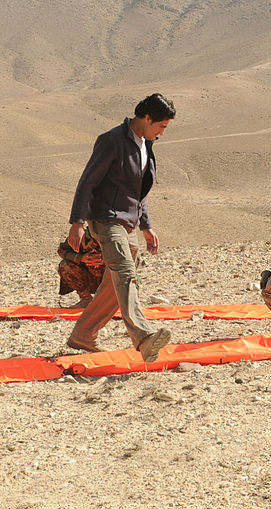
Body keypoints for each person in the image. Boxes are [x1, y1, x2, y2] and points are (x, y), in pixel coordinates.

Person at [65, 93, 175, 363]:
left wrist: (146, 226)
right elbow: (87, 182)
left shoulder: (146, 144)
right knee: (125, 273)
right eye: (160, 125)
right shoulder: (112, 140)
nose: (162, 132)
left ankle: (83, 334)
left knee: (116, 282)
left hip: (128, 223)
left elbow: (139, 191)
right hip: (106, 219)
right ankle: (144, 336)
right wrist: (77, 223)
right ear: (146, 118)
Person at [57, 224, 105, 308]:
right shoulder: (84, 236)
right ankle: (86, 299)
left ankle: (115, 301)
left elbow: (132, 258)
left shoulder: (116, 235)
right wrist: (81, 258)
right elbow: (62, 250)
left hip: (110, 280)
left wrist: (106, 259)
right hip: (89, 278)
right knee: (64, 265)